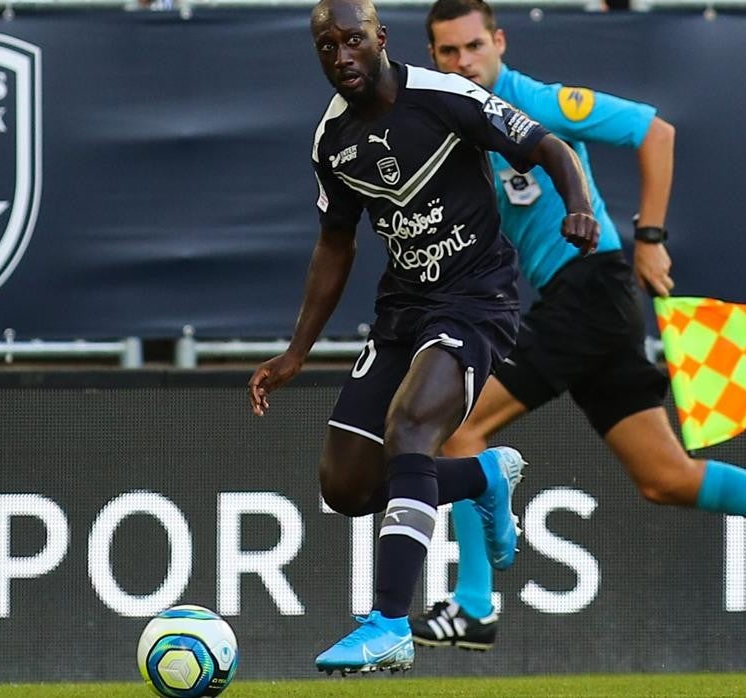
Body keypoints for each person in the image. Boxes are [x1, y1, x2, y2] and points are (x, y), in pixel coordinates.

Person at [410, 0, 746, 652]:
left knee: (459, 427)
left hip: (587, 291)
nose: (465, 62)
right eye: (449, 53)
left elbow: (655, 131)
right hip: (585, 302)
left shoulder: (539, 104)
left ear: (499, 42)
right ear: (436, 59)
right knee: (665, 477)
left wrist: (650, 239)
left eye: (473, 46)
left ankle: (474, 604)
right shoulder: (466, 130)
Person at [247, 0, 601, 674]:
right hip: (403, 311)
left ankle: (388, 623)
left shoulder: (444, 96)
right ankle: (483, 475)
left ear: (381, 38)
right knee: (345, 486)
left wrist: (578, 208)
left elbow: (548, 146)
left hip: (475, 300)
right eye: (327, 47)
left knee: (411, 426)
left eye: (353, 41)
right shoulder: (331, 142)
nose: (341, 57)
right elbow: (334, 243)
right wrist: (296, 352)